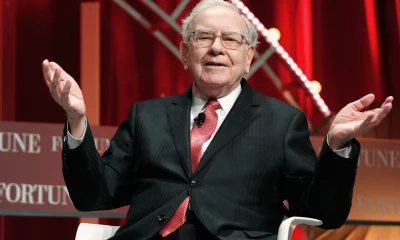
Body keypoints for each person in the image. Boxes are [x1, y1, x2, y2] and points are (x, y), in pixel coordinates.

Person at [41, 0, 393, 239]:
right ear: (184, 51)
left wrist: (336, 146)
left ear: (249, 56)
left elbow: (322, 211)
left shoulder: (282, 121)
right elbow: (93, 194)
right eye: (203, 37)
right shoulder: (146, 116)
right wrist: (76, 121)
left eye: (231, 39)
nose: (216, 48)